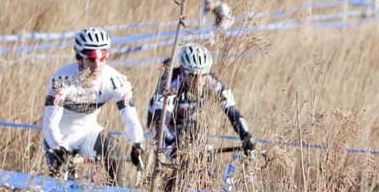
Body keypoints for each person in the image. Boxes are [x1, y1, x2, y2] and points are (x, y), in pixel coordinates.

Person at [42, 27, 146, 183]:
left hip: (89, 133)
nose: (97, 64)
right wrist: (60, 146)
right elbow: (50, 122)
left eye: (102, 58)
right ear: (80, 57)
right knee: (59, 186)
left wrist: (137, 143)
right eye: (91, 59)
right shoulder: (62, 79)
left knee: (113, 154)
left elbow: (130, 117)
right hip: (60, 136)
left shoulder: (115, 80)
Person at [146, 42, 254, 176]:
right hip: (161, 124)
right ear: (183, 71)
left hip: (186, 123)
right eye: (193, 75)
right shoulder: (171, 82)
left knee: (206, 158)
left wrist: (246, 135)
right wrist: (176, 148)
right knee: (182, 160)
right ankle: (172, 189)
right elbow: (160, 122)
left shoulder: (209, 81)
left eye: (203, 75)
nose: (199, 81)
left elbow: (231, 110)